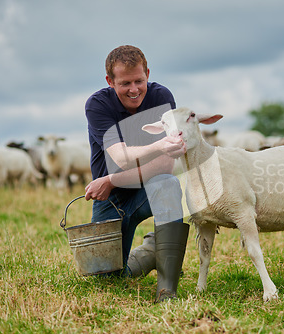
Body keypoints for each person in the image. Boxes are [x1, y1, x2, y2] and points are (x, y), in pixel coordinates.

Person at [84, 45, 189, 302]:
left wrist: (110, 179)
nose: (134, 89)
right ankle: (153, 251)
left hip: (143, 189)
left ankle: (167, 289)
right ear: (110, 81)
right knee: (107, 279)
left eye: (139, 80)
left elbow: (165, 166)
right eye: (125, 83)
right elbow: (120, 156)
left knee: (167, 182)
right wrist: (161, 145)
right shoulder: (97, 105)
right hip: (110, 200)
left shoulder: (161, 97)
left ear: (148, 74)